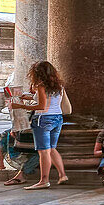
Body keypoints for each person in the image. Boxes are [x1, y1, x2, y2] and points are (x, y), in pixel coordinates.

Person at [9, 60, 69, 189]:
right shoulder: (59, 85)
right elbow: (48, 99)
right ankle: (62, 175)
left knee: (44, 152)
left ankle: (44, 180)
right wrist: (30, 97)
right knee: (52, 148)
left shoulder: (41, 85)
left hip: (43, 120)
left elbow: (41, 106)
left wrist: (19, 105)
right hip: (57, 118)